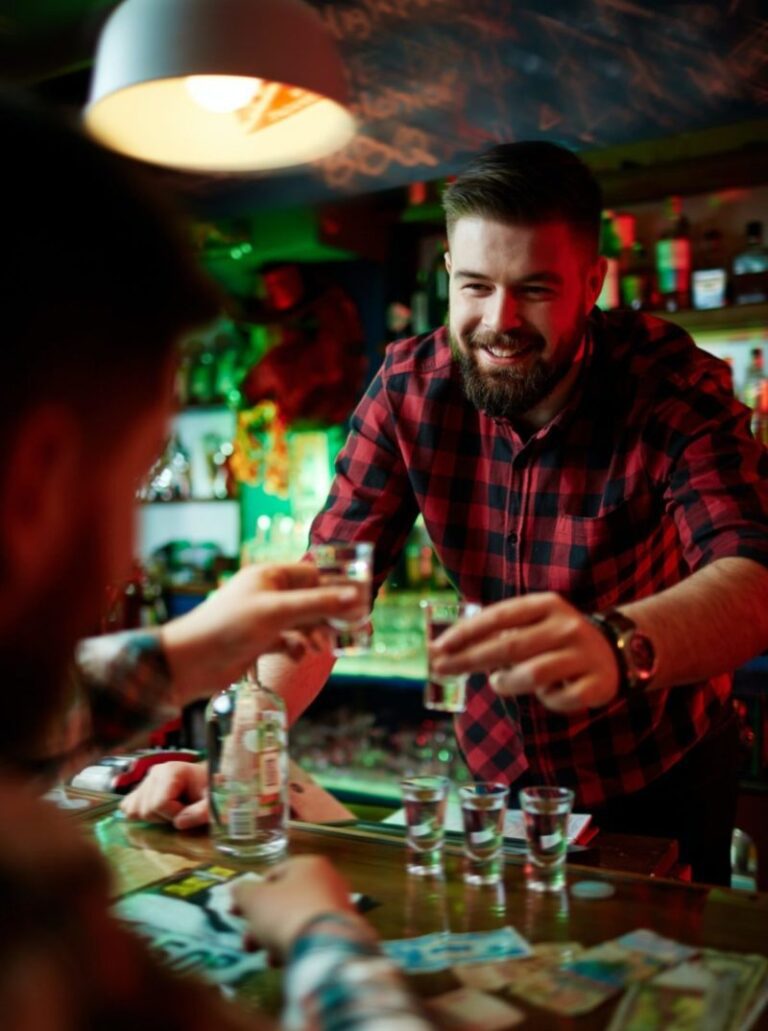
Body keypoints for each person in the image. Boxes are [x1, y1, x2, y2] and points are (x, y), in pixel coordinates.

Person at [124, 142, 768, 886]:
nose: (500, 321)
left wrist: (615, 645)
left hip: (660, 771)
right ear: (449, 278)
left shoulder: (667, 381)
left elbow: (752, 575)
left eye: (534, 289)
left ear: (593, 282)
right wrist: (250, 744)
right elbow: (327, 593)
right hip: (497, 775)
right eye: (475, 286)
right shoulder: (408, 388)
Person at [0, 91, 432, 1031]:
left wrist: (191, 649)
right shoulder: (32, 909)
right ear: (37, 482)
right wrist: (322, 929)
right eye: (130, 481)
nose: (125, 557)